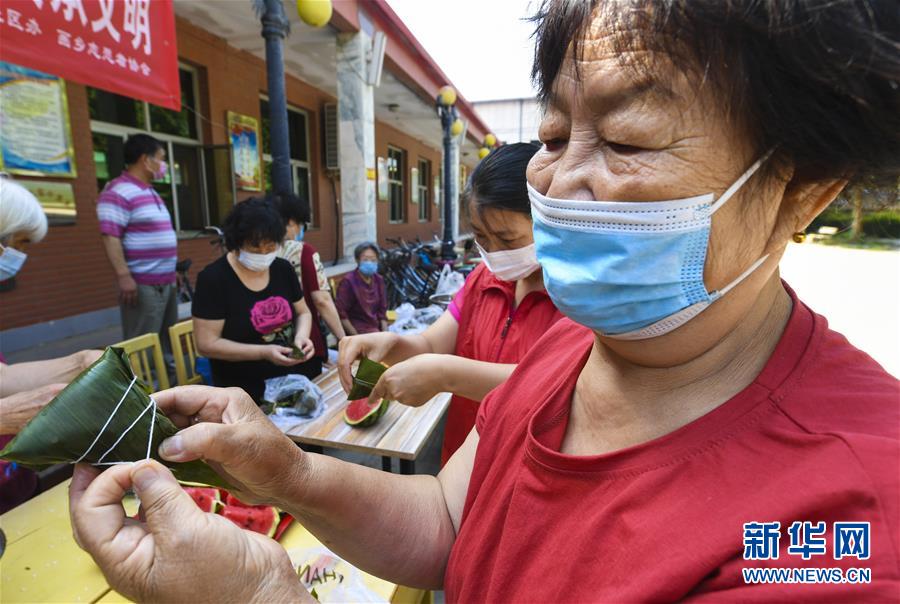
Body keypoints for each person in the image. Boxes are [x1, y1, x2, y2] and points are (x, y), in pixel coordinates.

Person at [71, 1, 900, 601]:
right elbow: (445, 518)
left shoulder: (841, 525)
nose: (558, 181)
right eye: (550, 135)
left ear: (803, 190)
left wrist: (261, 600)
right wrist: (287, 472)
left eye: (627, 140)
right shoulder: (578, 347)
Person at [339, 143, 563, 462]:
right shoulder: (482, 280)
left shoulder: (576, 300)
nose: (494, 251)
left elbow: (556, 386)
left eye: (508, 239)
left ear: (547, 222)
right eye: (480, 237)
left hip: (522, 463)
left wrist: (446, 375)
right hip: (460, 456)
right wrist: (391, 343)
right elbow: (431, 344)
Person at [0, 176, 102, 513]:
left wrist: (78, 365)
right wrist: (6, 415)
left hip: (15, 488)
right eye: (20, 243)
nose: (21, 256)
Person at [190, 198, 316, 402]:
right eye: (255, 249)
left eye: (270, 247)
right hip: (241, 392)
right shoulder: (214, 279)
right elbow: (206, 344)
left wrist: (302, 337)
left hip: (288, 382)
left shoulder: (283, 269)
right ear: (236, 243)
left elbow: (303, 312)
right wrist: (264, 352)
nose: (264, 254)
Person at [96, 134, 178, 363]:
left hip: (166, 281)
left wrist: (173, 271)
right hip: (142, 284)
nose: (164, 165)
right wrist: (123, 275)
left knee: (167, 345)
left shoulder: (149, 191)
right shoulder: (118, 191)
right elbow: (110, 236)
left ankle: (175, 392)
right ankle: (144, 394)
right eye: (161, 158)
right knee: (142, 348)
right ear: (145, 159)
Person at [270, 193, 347, 363]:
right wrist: (344, 340)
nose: (301, 229)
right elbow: (322, 300)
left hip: (268, 346)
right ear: (291, 221)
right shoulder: (303, 251)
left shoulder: (255, 253)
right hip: (305, 344)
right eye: (301, 224)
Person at [335, 242, 388, 335]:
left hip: (375, 329)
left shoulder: (378, 280)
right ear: (357, 260)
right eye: (365, 259)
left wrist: (386, 334)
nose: (370, 263)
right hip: (356, 330)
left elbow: (382, 311)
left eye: (373, 260)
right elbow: (341, 314)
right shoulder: (348, 281)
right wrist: (356, 337)